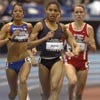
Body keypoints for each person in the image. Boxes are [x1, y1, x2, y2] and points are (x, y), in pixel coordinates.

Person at [0, 3, 54, 100]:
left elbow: (31, 39)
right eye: (15, 11)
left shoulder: (28, 26)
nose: (17, 13)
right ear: (12, 14)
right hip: (11, 62)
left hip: (24, 59)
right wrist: (10, 38)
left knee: (23, 80)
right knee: (13, 92)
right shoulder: (7, 27)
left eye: (20, 11)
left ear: (23, 14)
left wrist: (33, 48)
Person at [30, 1, 80, 100]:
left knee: (55, 87)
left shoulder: (62, 27)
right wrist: (41, 41)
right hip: (44, 60)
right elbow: (28, 43)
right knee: (45, 93)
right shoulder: (40, 25)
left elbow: (69, 38)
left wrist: (74, 48)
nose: (52, 12)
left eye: (55, 11)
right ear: (46, 11)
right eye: (50, 10)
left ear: (58, 13)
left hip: (57, 59)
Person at [64, 4, 96, 100]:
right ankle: (70, 97)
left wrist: (89, 43)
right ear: (73, 14)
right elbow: (60, 44)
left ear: (84, 14)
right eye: (76, 12)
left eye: (81, 12)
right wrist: (65, 52)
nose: (79, 14)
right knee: (72, 81)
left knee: (79, 94)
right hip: (70, 61)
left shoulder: (89, 28)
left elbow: (94, 49)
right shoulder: (66, 27)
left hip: (83, 62)